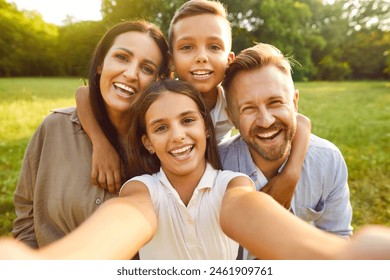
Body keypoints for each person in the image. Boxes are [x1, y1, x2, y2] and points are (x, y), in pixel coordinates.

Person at [1, 79, 389, 260]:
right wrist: (56, 267)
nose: (177, 136)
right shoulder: (141, 191)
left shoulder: (233, 185)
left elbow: (249, 213)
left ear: (206, 127)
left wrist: (341, 260)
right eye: (160, 128)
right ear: (147, 143)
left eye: (188, 120)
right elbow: (125, 220)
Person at [11, 20, 170, 249]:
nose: (131, 74)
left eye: (147, 68)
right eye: (122, 57)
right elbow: (26, 217)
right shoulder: (55, 128)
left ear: (158, 81)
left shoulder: (160, 146)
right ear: (100, 64)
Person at [74, 0, 235, 192]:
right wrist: (101, 144)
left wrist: (283, 177)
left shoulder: (233, 99)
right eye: (187, 47)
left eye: (214, 47)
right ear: (171, 61)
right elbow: (84, 93)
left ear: (229, 60)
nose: (201, 57)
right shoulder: (165, 96)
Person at [219, 43, 353, 259]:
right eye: (249, 108)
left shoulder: (328, 160)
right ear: (232, 117)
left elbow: (338, 236)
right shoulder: (216, 167)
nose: (266, 121)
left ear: (295, 103)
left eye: (275, 102)